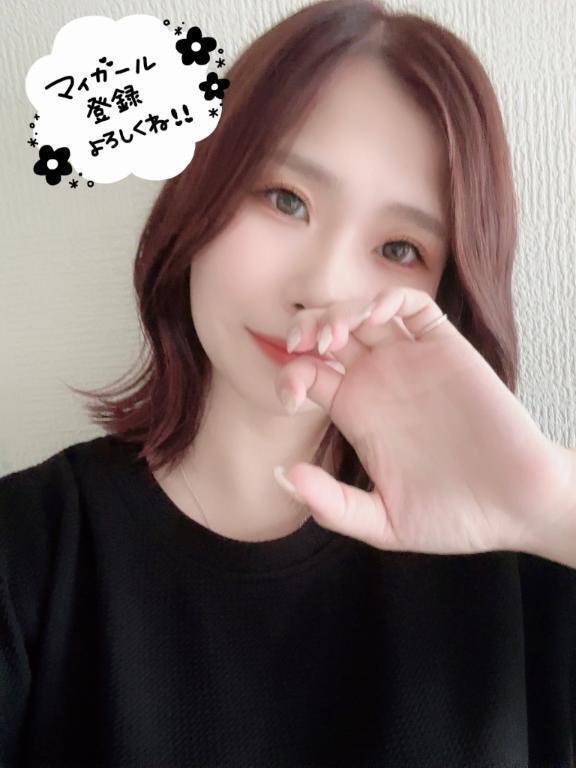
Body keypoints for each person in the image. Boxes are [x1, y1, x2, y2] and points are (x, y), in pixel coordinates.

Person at [2, 0, 575, 765]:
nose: (322, 287)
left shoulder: (524, 552)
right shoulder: (28, 550)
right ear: (202, 194)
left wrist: (550, 505)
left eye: (399, 249)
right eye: (285, 200)